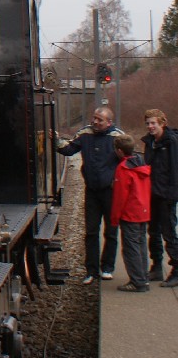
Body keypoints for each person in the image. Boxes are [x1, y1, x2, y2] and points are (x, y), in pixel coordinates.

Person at [55, 106, 124, 282]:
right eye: (94, 118)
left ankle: (107, 267)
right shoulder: (85, 134)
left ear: (109, 122)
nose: (95, 122)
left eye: (99, 119)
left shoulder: (117, 137)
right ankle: (91, 271)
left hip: (111, 192)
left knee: (111, 231)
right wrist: (56, 141)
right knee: (91, 232)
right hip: (92, 191)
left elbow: (128, 158)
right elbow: (69, 149)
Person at [109, 135, 152, 292]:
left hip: (130, 213)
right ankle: (143, 278)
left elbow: (120, 197)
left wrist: (114, 219)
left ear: (120, 151)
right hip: (143, 211)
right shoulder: (142, 164)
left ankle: (137, 282)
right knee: (140, 245)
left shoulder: (123, 168)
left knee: (130, 247)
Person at [141, 109, 178, 286]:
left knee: (169, 233)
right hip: (152, 193)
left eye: (153, 123)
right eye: (148, 123)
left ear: (162, 123)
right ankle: (156, 267)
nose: (150, 126)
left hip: (166, 195)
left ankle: (177, 269)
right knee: (153, 231)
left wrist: (172, 195)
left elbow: (175, 170)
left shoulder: (171, 142)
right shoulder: (149, 142)